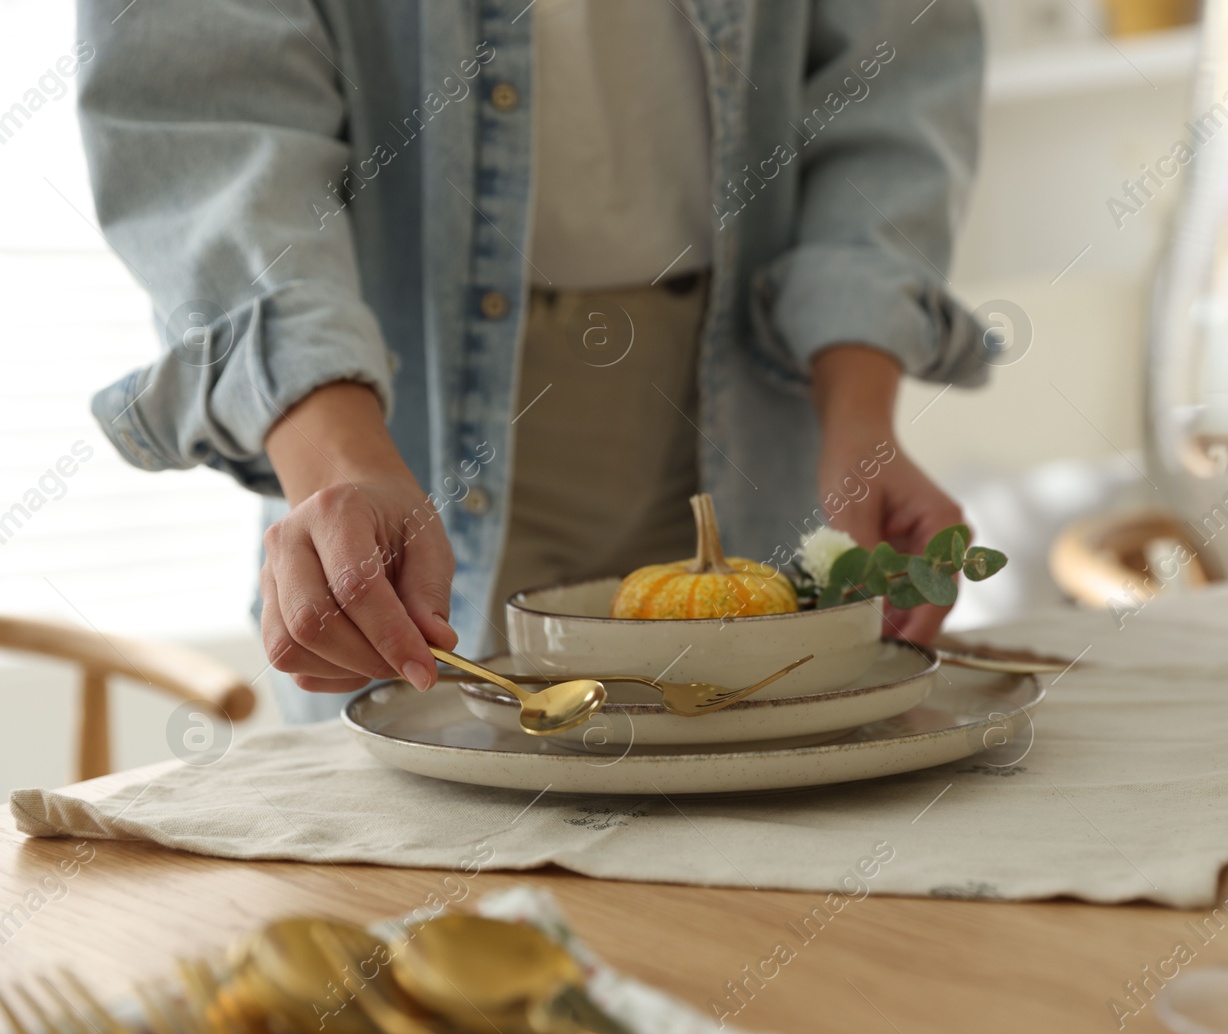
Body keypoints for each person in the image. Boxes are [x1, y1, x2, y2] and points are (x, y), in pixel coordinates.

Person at [77, 0, 990, 723]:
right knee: (432, 912)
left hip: (763, 409)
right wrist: (335, 454)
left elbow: (891, 68)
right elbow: (206, 110)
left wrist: (862, 408)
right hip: (398, 431)